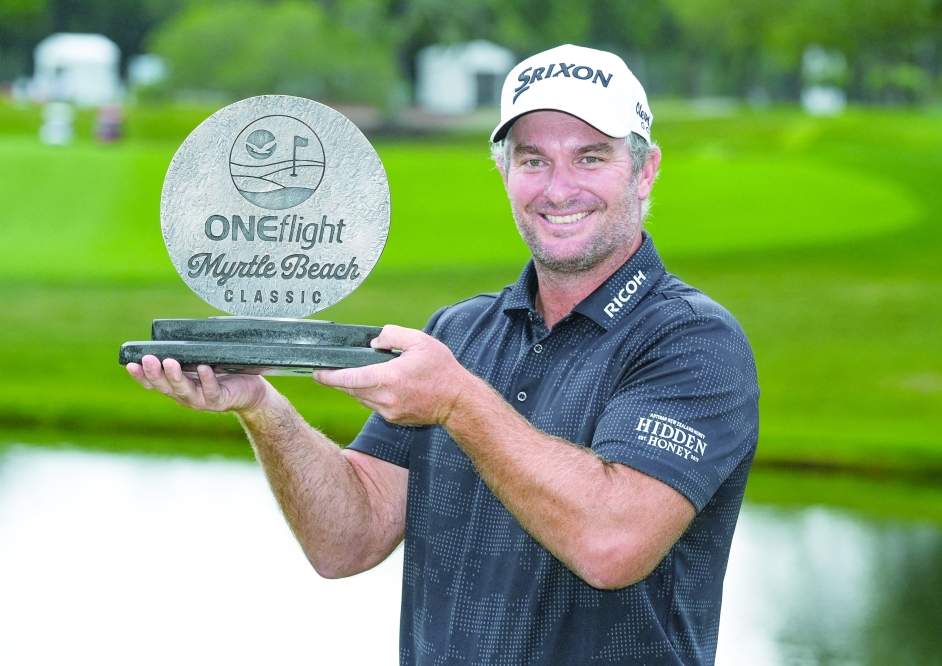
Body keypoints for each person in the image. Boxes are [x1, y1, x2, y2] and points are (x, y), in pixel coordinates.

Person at [127, 44, 759, 666]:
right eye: (532, 160)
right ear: (504, 172)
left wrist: (458, 401)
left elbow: (612, 543)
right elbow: (347, 540)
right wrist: (263, 407)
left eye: (590, 157)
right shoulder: (460, 333)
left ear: (645, 170)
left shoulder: (694, 341)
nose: (559, 189)